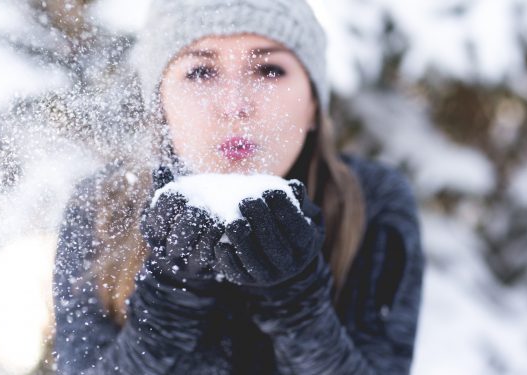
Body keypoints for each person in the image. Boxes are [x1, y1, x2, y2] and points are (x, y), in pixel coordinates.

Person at [52, 0, 424, 374]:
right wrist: (170, 302)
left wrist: (297, 304)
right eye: (200, 72)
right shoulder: (103, 207)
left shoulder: (370, 203)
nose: (234, 105)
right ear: (160, 103)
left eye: (268, 70)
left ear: (313, 103)